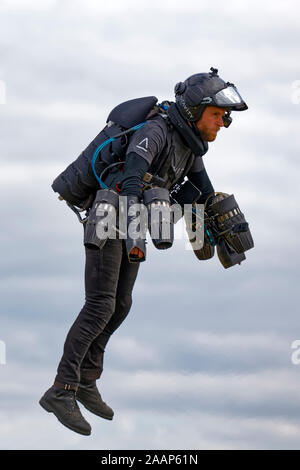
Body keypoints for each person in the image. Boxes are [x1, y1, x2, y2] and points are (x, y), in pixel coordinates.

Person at [39, 67, 248, 436]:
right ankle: (62, 389)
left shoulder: (190, 146)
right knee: (100, 304)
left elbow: (204, 189)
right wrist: (148, 212)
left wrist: (220, 223)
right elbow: (134, 174)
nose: (223, 122)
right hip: (110, 216)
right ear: (195, 110)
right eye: (217, 114)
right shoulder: (157, 131)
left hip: (130, 223)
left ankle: (87, 380)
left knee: (121, 304)